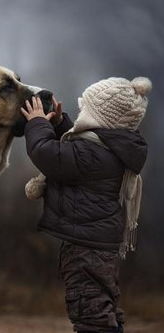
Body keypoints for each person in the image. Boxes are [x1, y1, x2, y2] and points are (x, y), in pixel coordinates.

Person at [20, 77, 151, 333]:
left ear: (99, 118)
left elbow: (47, 154)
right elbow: (78, 151)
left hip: (85, 250)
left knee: (90, 313)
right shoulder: (110, 148)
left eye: (85, 110)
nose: (81, 115)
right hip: (99, 245)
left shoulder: (92, 155)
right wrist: (59, 124)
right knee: (103, 307)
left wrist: (36, 123)